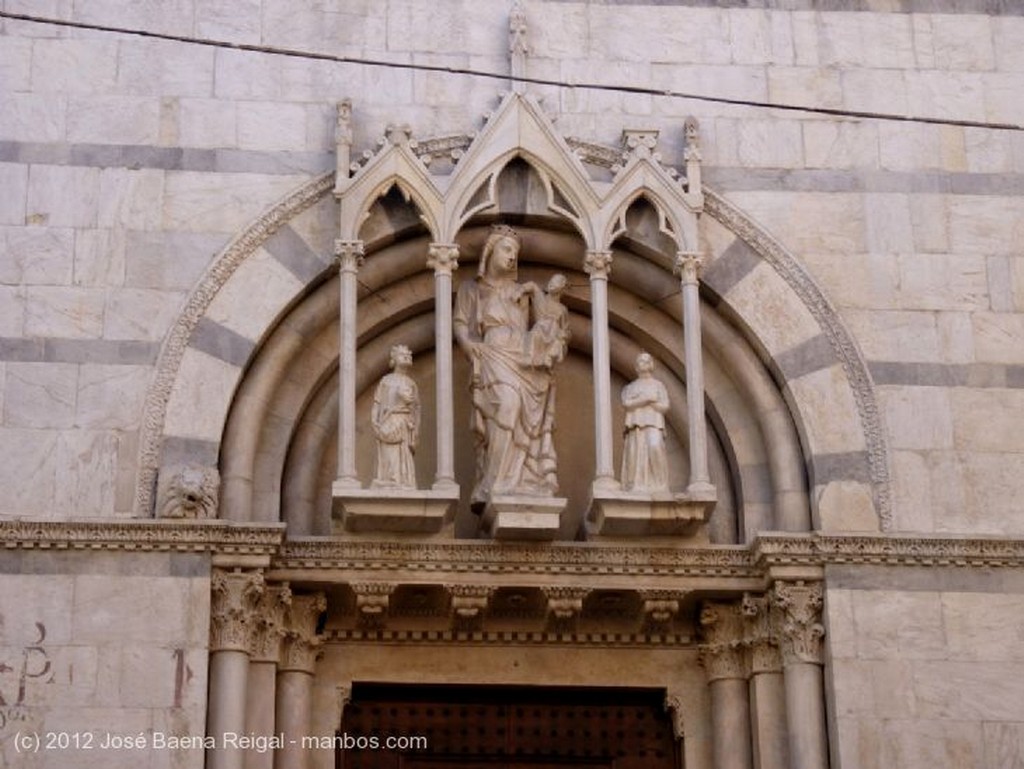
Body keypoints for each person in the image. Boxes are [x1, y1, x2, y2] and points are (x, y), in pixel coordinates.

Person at [454, 225, 567, 510]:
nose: (511, 257)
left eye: (515, 253)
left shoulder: (523, 292)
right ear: (490, 250)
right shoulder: (472, 289)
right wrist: (469, 346)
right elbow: (460, 323)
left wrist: (536, 294)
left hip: (522, 358)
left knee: (521, 413)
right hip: (493, 354)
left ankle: (522, 481)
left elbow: (548, 321)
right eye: (506, 250)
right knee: (507, 405)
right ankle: (495, 482)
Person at [370, 345, 419, 489]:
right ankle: (389, 479)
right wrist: (374, 421)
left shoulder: (411, 383)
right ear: (394, 359)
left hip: (404, 422)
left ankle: (403, 480)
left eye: (408, 354)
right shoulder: (386, 381)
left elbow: (416, 408)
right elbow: (378, 403)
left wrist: (414, 429)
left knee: (403, 454)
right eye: (402, 354)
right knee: (389, 454)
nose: (407, 356)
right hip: (388, 421)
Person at [620, 351, 670, 493]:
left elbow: (665, 405)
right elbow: (627, 403)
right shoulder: (631, 387)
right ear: (636, 367)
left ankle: (660, 484)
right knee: (635, 453)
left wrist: (651, 404)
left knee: (655, 447)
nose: (644, 363)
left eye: (647, 361)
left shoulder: (658, 385)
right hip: (636, 423)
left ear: (651, 365)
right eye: (641, 361)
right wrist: (647, 399)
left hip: (654, 422)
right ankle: (636, 483)